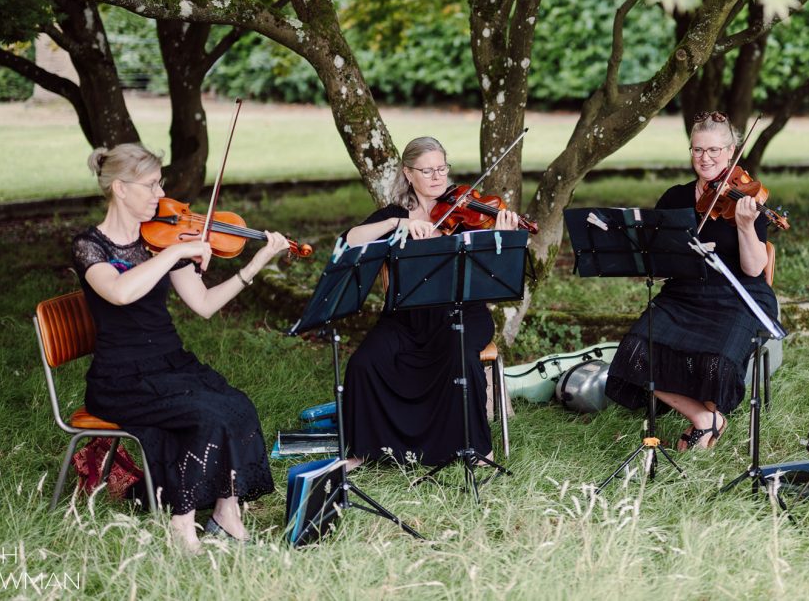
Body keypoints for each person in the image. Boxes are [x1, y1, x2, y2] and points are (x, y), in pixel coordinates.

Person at [71, 144, 290, 553]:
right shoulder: (90, 247)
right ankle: (182, 524)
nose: (160, 194)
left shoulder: (162, 238)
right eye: (151, 184)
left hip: (169, 363)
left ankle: (228, 513)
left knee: (237, 405)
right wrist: (174, 252)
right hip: (121, 378)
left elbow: (204, 305)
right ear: (119, 188)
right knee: (205, 416)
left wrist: (255, 263)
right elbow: (119, 293)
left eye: (160, 183)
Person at [340, 136, 519, 468]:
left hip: (463, 313)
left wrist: (502, 238)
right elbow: (350, 240)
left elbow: (497, 274)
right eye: (427, 170)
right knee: (363, 363)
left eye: (442, 168)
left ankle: (477, 448)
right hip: (405, 318)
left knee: (459, 353)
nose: (438, 177)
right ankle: (365, 451)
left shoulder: (467, 215)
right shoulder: (395, 215)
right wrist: (400, 224)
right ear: (408, 174)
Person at [604, 111, 779, 450]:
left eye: (715, 150)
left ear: (731, 151)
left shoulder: (746, 198)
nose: (706, 158)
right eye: (698, 150)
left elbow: (754, 268)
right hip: (685, 292)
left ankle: (706, 420)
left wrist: (745, 227)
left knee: (718, 360)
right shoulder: (675, 198)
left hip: (738, 293)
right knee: (634, 351)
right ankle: (703, 418)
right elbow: (657, 253)